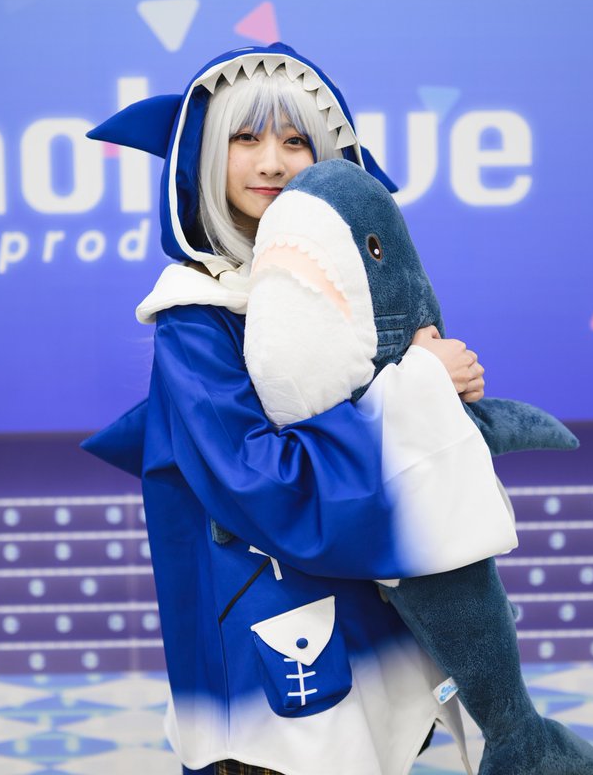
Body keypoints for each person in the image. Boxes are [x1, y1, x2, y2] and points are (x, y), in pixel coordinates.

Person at [82, 43, 502, 775]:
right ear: (206, 156)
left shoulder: (351, 299)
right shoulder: (196, 317)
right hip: (270, 649)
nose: (272, 163)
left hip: (378, 627)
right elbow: (262, 482)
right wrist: (416, 392)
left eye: (295, 141)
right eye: (246, 138)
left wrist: (441, 388)